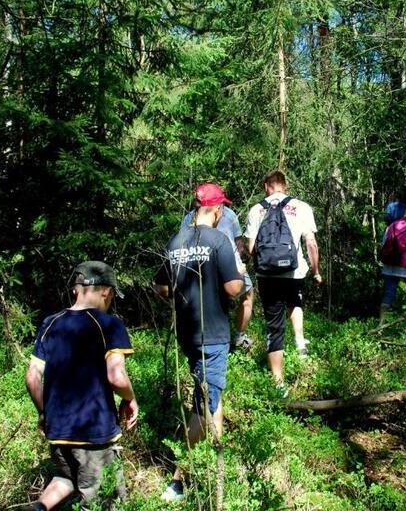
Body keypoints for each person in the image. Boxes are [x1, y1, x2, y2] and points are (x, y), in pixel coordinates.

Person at [154, 182, 244, 503]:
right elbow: (234, 288)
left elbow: (162, 289)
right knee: (205, 405)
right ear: (218, 210)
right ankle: (179, 479)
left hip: (188, 334)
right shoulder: (219, 241)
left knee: (208, 395)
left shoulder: (175, 241)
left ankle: (218, 466)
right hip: (214, 334)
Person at [23, 261, 138, 511]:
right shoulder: (109, 324)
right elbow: (116, 377)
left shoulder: (50, 323)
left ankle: (38, 508)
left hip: (58, 432)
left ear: (76, 289)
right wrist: (130, 399)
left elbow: (32, 376)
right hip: (94, 435)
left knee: (67, 477)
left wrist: (45, 412)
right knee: (104, 502)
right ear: (106, 291)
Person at [245, 170, 321, 393]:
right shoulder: (302, 207)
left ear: (267, 186)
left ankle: (279, 384)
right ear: (284, 186)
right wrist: (316, 271)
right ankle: (299, 341)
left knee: (274, 326)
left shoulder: (256, 209)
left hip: (267, 276)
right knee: (295, 302)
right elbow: (311, 243)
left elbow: (251, 249)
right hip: (294, 272)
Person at [180, 185, 255, 350]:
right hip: (229, 265)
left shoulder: (188, 218)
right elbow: (239, 243)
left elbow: (183, 243)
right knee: (246, 294)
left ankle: (200, 336)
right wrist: (238, 264)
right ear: (217, 206)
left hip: (200, 266)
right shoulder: (229, 214)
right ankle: (238, 335)